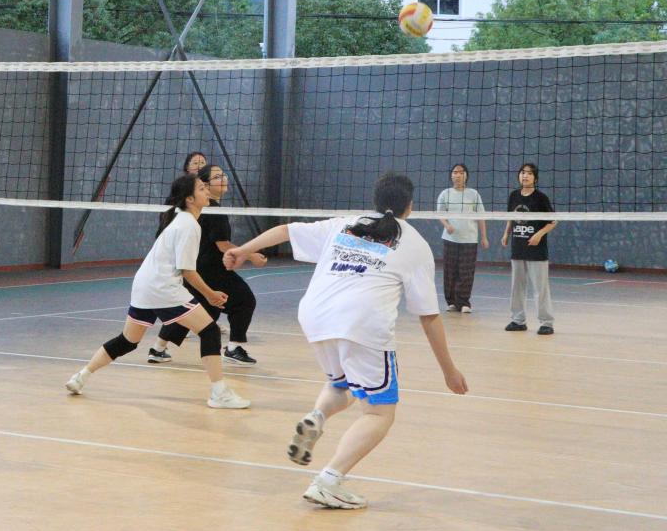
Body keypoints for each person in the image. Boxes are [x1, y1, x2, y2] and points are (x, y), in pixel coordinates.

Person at [224, 173, 468, 509]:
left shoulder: (345, 223)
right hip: (361, 322)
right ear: (410, 207)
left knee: (342, 384)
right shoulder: (415, 244)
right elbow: (428, 317)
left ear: (375, 200)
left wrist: (242, 250)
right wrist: (449, 371)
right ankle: (329, 481)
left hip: (315, 314)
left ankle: (317, 416)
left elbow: (285, 231)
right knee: (379, 413)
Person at [65, 174, 250, 409]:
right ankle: (219, 394)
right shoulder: (188, 224)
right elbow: (187, 271)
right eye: (202, 188)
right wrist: (211, 294)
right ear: (190, 198)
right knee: (210, 331)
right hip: (163, 287)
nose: (207, 191)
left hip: (144, 285)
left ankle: (81, 377)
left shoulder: (179, 217)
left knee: (128, 341)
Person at [147, 164, 265, 365]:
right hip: (211, 270)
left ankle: (158, 348)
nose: (224, 178)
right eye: (217, 177)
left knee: (196, 310)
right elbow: (223, 245)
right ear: (205, 186)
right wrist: (251, 255)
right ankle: (234, 348)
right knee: (245, 301)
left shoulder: (199, 209)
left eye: (223, 175)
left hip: (196, 268)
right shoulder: (214, 210)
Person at [501, 163, 556, 335]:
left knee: (540, 288)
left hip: (536, 251)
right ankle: (518, 320)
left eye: (529, 173)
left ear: (535, 178)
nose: (525, 176)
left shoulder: (541, 198)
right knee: (517, 287)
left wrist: (539, 234)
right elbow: (511, 217)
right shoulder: (513, 196)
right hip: (518, 248)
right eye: (523, 173)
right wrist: (506, 234)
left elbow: (553, 221)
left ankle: (546, 323)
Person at [436, 163, 489, 313]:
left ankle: (464, 302)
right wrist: (447, 225)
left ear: (466, 176)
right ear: (451, 175)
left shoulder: (474, 194)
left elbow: (481, 217)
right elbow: (440, 214)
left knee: (466, 272)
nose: (458, 175)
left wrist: (484, 237)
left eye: (461, 172)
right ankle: (451, 302)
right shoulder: (445, 193)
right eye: (455, 172)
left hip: (469, 239)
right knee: (449, 271)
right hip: (450, 239)